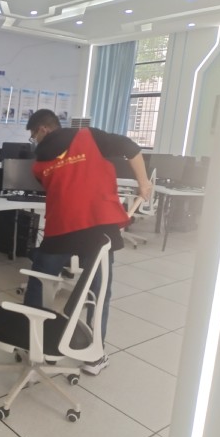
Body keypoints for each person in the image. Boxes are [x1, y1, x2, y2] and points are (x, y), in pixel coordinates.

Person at [24, 109, 152, 375]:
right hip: (98, 228)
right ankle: (95, 355)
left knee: (39, 282)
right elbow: (131, 148)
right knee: (98, 291)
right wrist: (144, 184)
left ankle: (33, 343)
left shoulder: (39, 164)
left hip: (61, 228)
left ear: (43, 129)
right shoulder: (89, 137)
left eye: (34, 134)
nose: (34, 140)